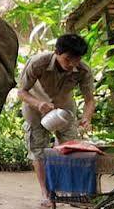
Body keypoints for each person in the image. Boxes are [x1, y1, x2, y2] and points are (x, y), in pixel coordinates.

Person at [21, 33, 96, 161]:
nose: (72, 64)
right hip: (35, 110)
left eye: (76, 60)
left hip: (65, 112)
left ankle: (66, 181)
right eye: (67, 59)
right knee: (38, 153)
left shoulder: (84, 71)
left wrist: (86, 118)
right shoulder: (38, 63)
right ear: (56, 52)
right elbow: (22, 92)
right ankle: (46, 182)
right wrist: (39, 104)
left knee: (71, 149)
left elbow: (89, 100)